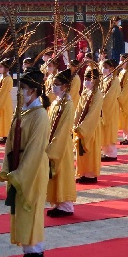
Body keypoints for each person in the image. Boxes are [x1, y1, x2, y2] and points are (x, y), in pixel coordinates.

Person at [0, 68, 50, 257]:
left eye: (25, 88)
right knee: (21, 211)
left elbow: (35, 149)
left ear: (35, 91)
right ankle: (28, 252)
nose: (21, 93)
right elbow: (11, 141)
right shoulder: (23, 112)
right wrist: (9, 167)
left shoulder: (40, 116)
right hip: (20, 167)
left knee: (30, 210)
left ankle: (36, 254)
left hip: (32, 170)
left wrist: (20, 173)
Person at [46, 68, 76, 217]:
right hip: (53, 141)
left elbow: (63, 128)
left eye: (57, 84)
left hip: (61, 145)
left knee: (62, 173)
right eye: (53, 84)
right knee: (54, 175)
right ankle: (58, 203)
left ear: (65, 86)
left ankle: (66, 205)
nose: (54, 87)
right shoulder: (56, 102)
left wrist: (53, 147)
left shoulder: (68, 105)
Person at [74, 68, 103, 183]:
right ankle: (82, 172)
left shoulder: (97, 95)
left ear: (95, 80)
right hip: (82, 126)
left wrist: (83, 127)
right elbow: (79, 109)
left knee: (90, 150)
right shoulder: (86, 92)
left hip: (91, 127)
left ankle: (90, 175)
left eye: (88, 79)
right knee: (81, 152)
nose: (86, 82)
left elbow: (93, 113)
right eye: (85, 79)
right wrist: (75, 123)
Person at [99, 59, 122, 162]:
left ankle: (112, 153)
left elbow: (110, 96)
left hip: (110, 108)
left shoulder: (114, 80)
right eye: (103, 67)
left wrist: (100, 101)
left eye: (106, 67)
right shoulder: (105, 79)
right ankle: (106, 152)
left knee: (109, 130)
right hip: (104, 109)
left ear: (112, 68)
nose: (104, 69)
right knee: (104, 130)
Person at [0, 59, 14, 145]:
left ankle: (6, 136)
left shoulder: (8, 79)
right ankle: (3, 136)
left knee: (6, 119)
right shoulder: (2, 77)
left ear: (6, 68)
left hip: (4, 101)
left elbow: (3, 92)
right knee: (1, 119)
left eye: (1, 66)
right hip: (1, 100)